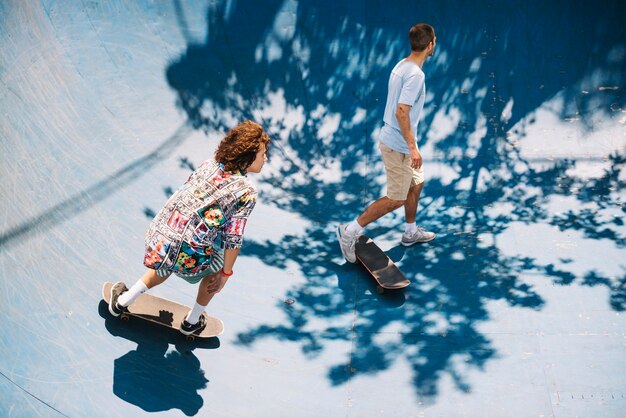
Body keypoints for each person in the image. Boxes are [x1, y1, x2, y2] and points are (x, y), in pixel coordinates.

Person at [108, 121, 270, 335]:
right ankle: (192, 322)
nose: (266, 158)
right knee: (219, 264)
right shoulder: (247, 192)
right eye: (262, 154)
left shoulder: (207, 165)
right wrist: (225, 274)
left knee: (171, 254)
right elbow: (234, 238)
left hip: (159, 239)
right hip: (189, 258)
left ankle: (122, 301)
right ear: (248, 157)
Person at [337, 23, 437, 263]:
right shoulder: (415, 74)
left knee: (417, 183)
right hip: (398, 144)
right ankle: (349, 231)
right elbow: (401, 111)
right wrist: (412, 147)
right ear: (430, 45)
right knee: (397, 197)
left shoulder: (402, 65)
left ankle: (410, 232)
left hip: (399, 139)